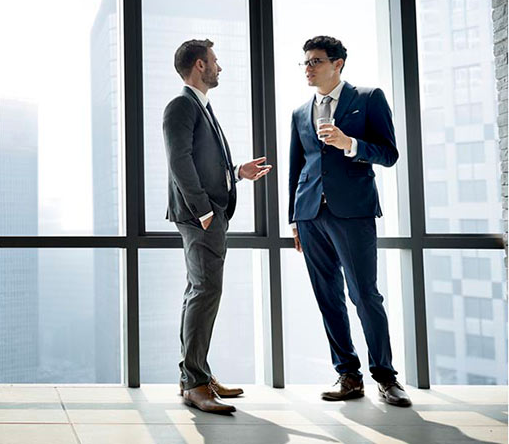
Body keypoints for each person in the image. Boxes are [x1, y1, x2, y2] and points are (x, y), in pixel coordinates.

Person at [287, 35, 410, 407]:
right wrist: (294, 220)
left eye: (316, 61)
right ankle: (348, 375)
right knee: (328, 298)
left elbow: (389, 154)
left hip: (353, 213)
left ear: (337, 64)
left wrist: (350, 144)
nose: (308, 68)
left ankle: (386, 378)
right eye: (305, 62)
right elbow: (297, 168)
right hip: (310, 216)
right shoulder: (299, 112)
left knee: (364, 295)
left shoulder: (368, 99)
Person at [163, 39, 271, 414]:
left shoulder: (200, 107)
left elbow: (202, 163)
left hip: (208, 212)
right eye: (214, 61)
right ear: (199, 65)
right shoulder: (181, 105)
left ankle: (196, 376)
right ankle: (194, 383)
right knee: (205, 291)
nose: (219, 67)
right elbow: (179, 160)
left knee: (200, 291)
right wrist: (204, 211)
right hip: (200, 217)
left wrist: (236, 173)